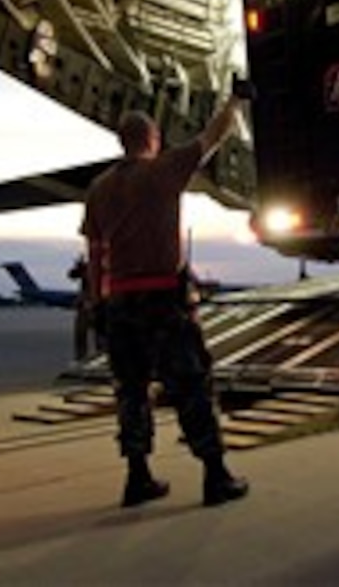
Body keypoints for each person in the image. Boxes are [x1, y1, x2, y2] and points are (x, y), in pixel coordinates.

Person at [81, 98, 249, 508]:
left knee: (132, 391)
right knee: (191, 385)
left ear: (122, 141)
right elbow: (213, 135)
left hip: (119, 303)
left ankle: (137, 477)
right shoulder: (163, 171)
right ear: (152, 139)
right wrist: (236, 102)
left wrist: (96, 305)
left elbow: (95, 252)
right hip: (162, 300)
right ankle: (215, 475)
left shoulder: (99, 188)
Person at [67, 255, 92, 361]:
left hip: (96, 303)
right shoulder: (87, 267)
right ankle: (81, 358)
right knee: (80, 334)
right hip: (87, 303)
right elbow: (72, 275)